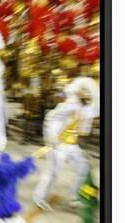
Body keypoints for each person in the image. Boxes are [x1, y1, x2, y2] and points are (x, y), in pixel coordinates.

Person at [32, 77, 99, 210]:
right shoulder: (68, 105)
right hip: (59, 144)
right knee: (53, 172)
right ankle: (39, 198)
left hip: (72, 145)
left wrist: (95, 93)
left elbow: (95, 110)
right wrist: (51, 140)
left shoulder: (84, 108)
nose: (86, 97)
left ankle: (75, 197)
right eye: (84, 94)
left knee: (83, 169)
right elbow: (50, 118)